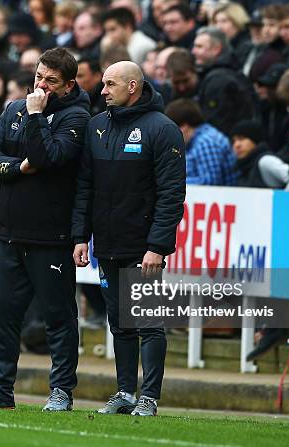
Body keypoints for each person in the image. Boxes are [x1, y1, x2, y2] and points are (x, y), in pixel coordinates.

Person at [0, 48, 90, 411]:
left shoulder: (78, 118)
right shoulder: (13, 110)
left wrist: (36, 118)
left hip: (51, 237)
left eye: (50, 81)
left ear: (68, 85)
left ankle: (61, 391)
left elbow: (47, 157)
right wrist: (17, 169)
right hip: (7, 233)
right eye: (38, 77)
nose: (41, 86)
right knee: (2, 312)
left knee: (58, 317)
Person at [72, 61, 185, 416]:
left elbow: (171, 194)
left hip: (143, 246)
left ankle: (149, 398)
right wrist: (80, 237)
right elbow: (85, 187)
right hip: (106, 243)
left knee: (148, 322)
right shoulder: (97, 127)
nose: (102, 91)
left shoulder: (163, 129)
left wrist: (157, 247)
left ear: (132, 86)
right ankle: (124, 392)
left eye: (109, 84)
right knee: (119, 323)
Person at [165, 98, 237, 186]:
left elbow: (209, 182)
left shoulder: (206, 143)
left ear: (184, 127)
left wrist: (170, 183)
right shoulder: (194, 142)